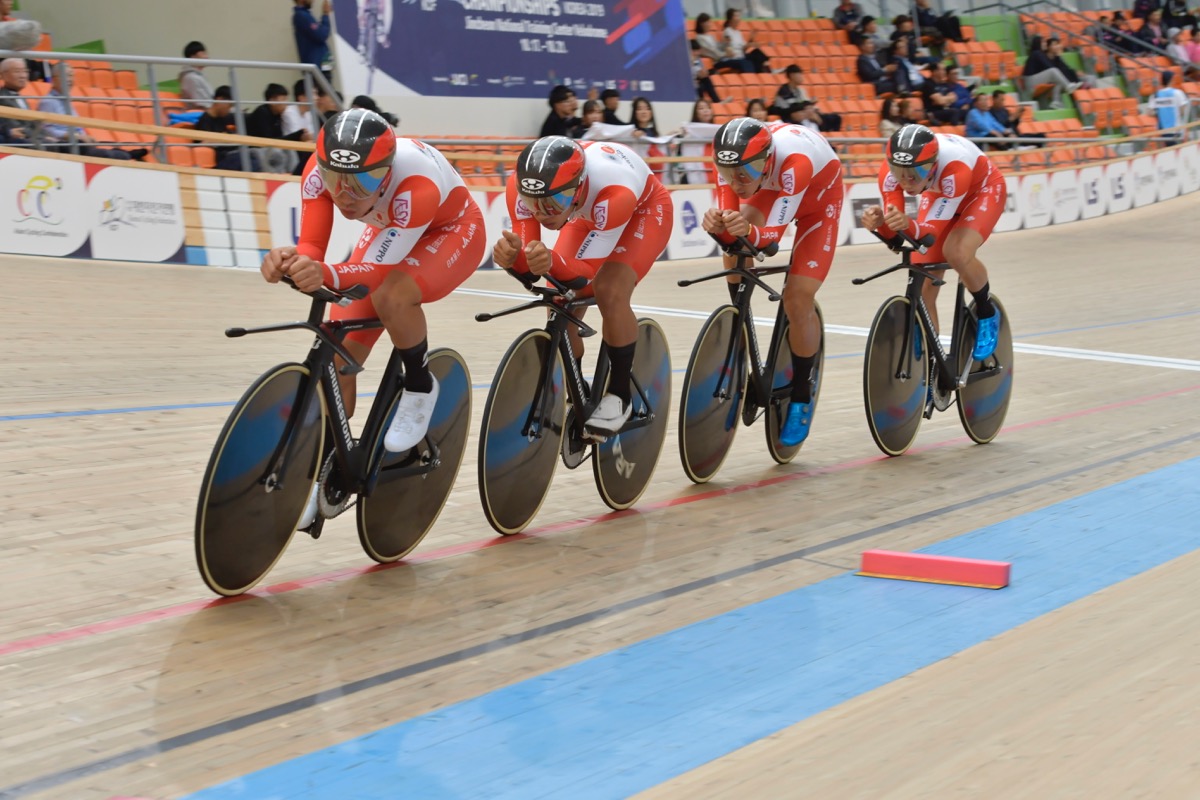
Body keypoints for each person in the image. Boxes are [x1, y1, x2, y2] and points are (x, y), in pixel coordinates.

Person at [261, 109, 486, 528]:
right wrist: (290, 262)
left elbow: (380, 274)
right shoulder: (321, 169)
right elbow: (312, 245)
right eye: (335, 182)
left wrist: (327, 273)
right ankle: (328, 468)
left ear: (385, 172)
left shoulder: (414, 185)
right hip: (391, 231)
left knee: (393, 295)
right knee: (339, 352)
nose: (344, 195)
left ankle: (419, 384)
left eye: (360, 182)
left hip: (450, 231)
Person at [490, 136, 673, 433]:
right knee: (559, 302)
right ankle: (575, 388)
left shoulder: (616, 194)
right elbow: (534, 269)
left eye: (552, 203)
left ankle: (620, 395)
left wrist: (548, 261)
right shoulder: (524, 188)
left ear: (576, 189)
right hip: (585, 214)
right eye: (533, 204)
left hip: (642, 212)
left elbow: (587, 274)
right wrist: (514, 260)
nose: (541, 212)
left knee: (610, 290)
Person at [703, 117, 844, 446]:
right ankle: (739, 317)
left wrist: (743, 230)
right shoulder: (729, 160)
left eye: (744, 173)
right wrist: (720, 226)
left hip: (818, 203)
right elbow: (731, 225)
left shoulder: (794, 163)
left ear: (765, 161)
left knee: (797, 297)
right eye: (729, 174)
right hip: (772, 188)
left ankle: (801, 394)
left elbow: (768, 241)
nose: (736, 182)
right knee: (735, 243)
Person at [860, 125, 1005, 364]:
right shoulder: (889, 172)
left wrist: (905, 223)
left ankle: (987, 312)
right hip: (940, 194)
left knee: (956, 252)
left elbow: (928, 235)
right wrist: (881, 225)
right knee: (922, 272)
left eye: (915, 174)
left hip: (981, 192)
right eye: (899, 172)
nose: (906, 182)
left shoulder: (953, 169)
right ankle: (932, 364)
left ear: (933, 165)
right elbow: (900, 240)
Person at [1022, 36, 1082, 109]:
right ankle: (1068, 86)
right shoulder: (1036, 53)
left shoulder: (1041, 54)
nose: (1045, 44)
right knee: (1053, 71)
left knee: (1058, 77)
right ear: (1038, 43)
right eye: (1043, 42)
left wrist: (1057, 56)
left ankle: (1056, 101)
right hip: (1030, 82)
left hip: (1036, 80)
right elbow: (1049, 66)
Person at [292, 0, 332, 78]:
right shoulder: (301, 16)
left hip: (323, 66)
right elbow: (321, 35)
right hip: (316, 67)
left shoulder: (306, 15)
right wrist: (325, 15)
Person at [179, 41, 215, 109]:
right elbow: (202, 105)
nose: (207, 57)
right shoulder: (191, 78)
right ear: (192, 56)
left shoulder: (196, 76)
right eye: (203, 53)